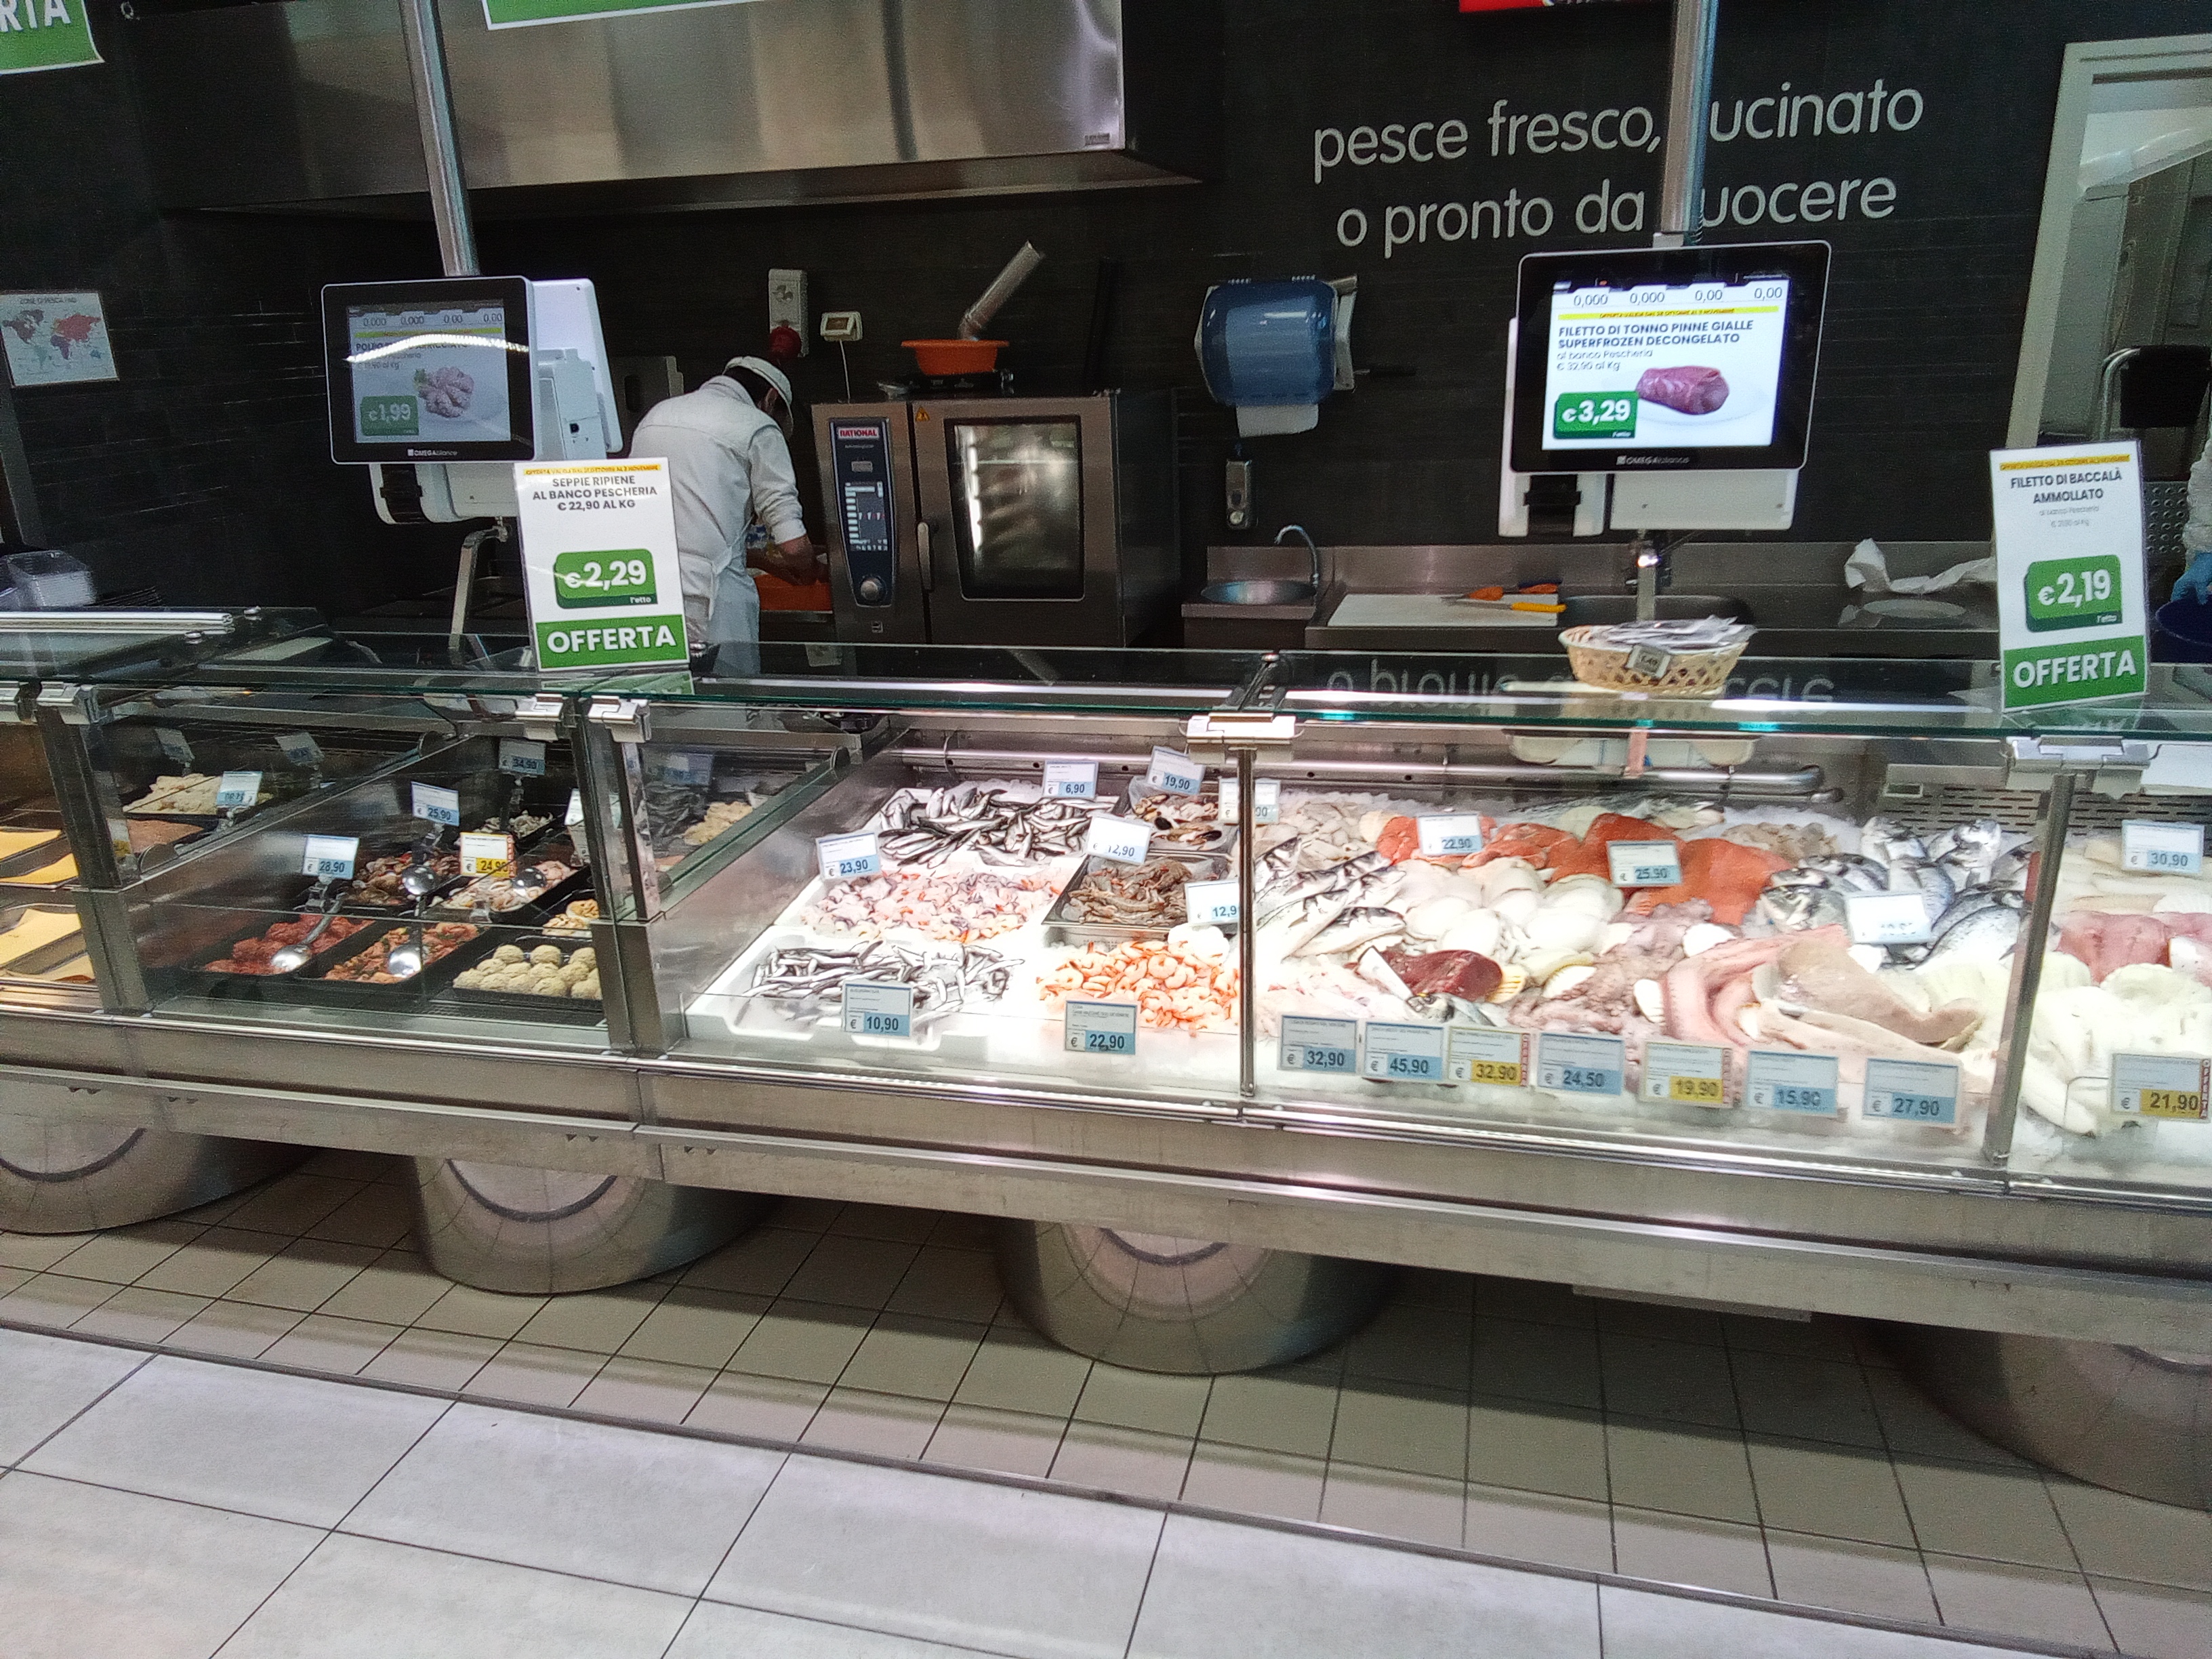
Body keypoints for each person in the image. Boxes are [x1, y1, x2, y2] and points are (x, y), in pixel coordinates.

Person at [627, 354, 819, 674]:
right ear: (771, 399)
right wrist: (812, 569)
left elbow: (691, 535)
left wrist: (763, 561)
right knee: (727, 698)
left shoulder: (657, 416)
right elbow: (793, 546)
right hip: (713, 604)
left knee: (660, 695)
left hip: (645, 589)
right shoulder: (757, 427)